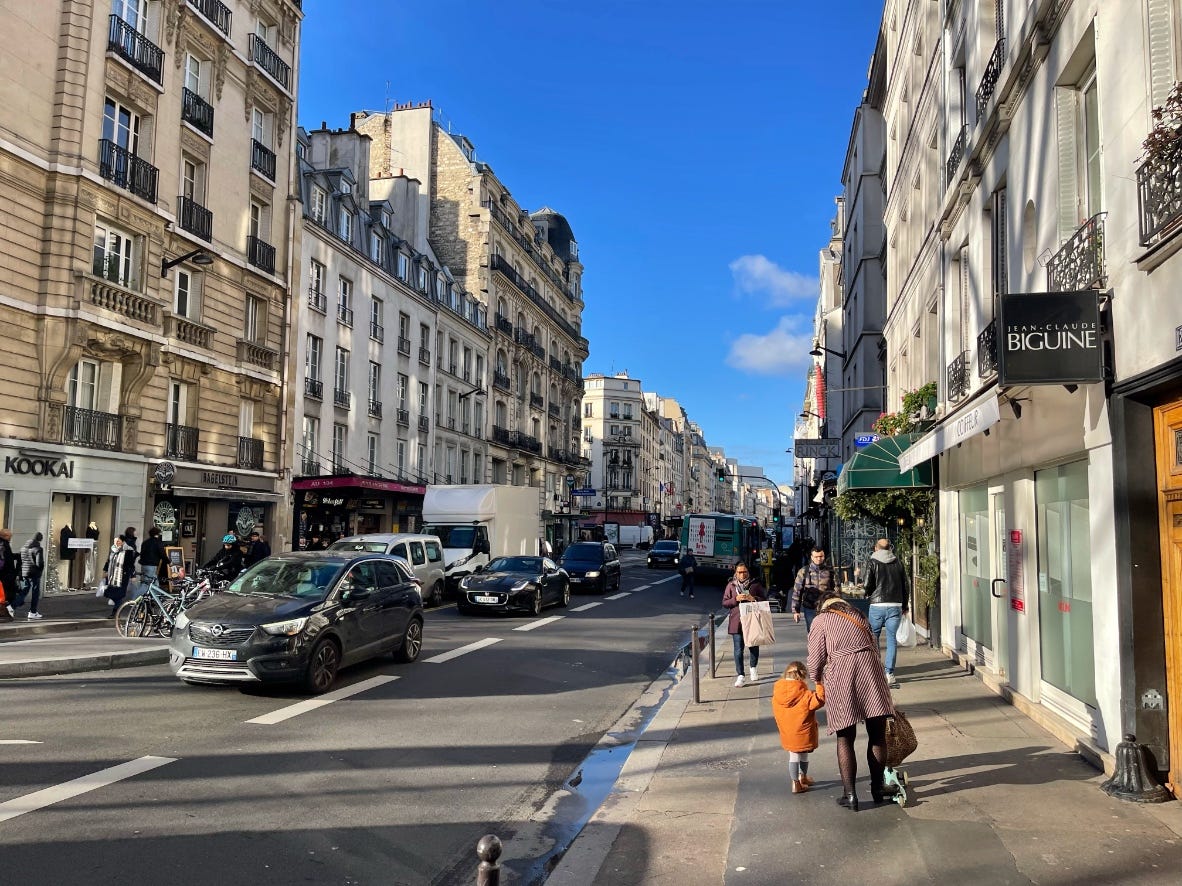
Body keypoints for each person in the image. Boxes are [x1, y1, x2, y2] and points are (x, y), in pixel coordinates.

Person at [808, 591, 897, 810]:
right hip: (870, 672)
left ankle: (850, 795)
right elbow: (874, 646)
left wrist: (816, 679)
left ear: (822, 606)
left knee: (845, 737)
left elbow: (815, 659)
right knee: (877, 735)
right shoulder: (858, 614)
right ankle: (878, 788)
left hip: (841, 676)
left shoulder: (820, 620)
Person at [863, 537, 910, 688]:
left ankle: (876, 672)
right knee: (891, 640)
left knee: (874, 637)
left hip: (877, 605)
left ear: (876, 548)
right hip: (895, 604)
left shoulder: (872, 561)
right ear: (890, 548)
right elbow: (905, 585)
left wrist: (868, 593)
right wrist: (905, 605)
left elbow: (867, 584)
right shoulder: (898, 562)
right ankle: (889, 674)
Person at [772, 660, 825, 794]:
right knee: (802, 755)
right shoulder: (806, 695)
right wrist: (819, 683)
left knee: (795, 755)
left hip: (787, 732)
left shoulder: (777, 694)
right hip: (804, 732)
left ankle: (801, 779)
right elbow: (820, 699)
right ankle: (797, 782)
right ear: (802, 676)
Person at [723, 562, 767, 687]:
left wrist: (753, 599)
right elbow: (725, 602)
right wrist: (735, 599)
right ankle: (740, 675)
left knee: (753, 645)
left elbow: (764, 599)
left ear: (748, 572)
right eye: (740, 572)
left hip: (752, 620)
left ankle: (753, 667)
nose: (742, 575)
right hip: (736, 621)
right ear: (736, 573)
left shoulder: (755, 584)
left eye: (745, 572)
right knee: (738, 650)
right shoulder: (731, 585)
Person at [791, 546, 835, 632]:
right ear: (812, 557)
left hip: (826, 607)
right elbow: (797, 591)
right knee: (812, 631)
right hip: (810, 606)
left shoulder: (830, 571)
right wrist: (796, 611)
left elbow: (836, 590)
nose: (819, 559)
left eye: (821, 556)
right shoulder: (804, 571)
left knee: (827, 631)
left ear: (824, 556)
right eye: (816, 557)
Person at [102, 535, 136, 616]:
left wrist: (133, 575)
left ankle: (115, 612)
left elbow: (130, 564)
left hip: (122, 576)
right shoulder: (113, 549)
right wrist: (105, 570)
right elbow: (108, 561)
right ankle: (117, 608)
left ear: (123, 542)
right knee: (109, 593)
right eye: (116, 541)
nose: (117, 543)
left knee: (119, 594)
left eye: (119, 541)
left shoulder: (128, 550)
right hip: (112, 575)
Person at [18, 532, 45, 619]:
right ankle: (33, 612)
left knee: (25, 589)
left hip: (25, 572)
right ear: (40, 539)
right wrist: (40, 570)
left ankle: (12, 606)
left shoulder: (24, 548)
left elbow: (21, 560)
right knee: (35, 592)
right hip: (34, 573)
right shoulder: (38, 548)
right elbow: (39, 563)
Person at [138, 527, 165, 594]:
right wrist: (169, 562)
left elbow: (142, 553)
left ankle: (156, 598)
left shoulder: (145, 542)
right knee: (146, 583)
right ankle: (136, 599)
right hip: (152, 565)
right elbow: (162, 554)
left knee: (154, 582)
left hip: (144, 565)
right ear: (158, 534)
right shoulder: (158, 542)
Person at [0, 528, 19, 618]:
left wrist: (16, 556)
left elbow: (8, 557)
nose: (11, 538)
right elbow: (5, 560)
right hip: (6, 575)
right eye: (10, 536)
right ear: (5, 536)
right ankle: (6, 613)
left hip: (5, 575)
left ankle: (7, 612)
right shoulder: (3, 545)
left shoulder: (3, 544)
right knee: (8, 595)